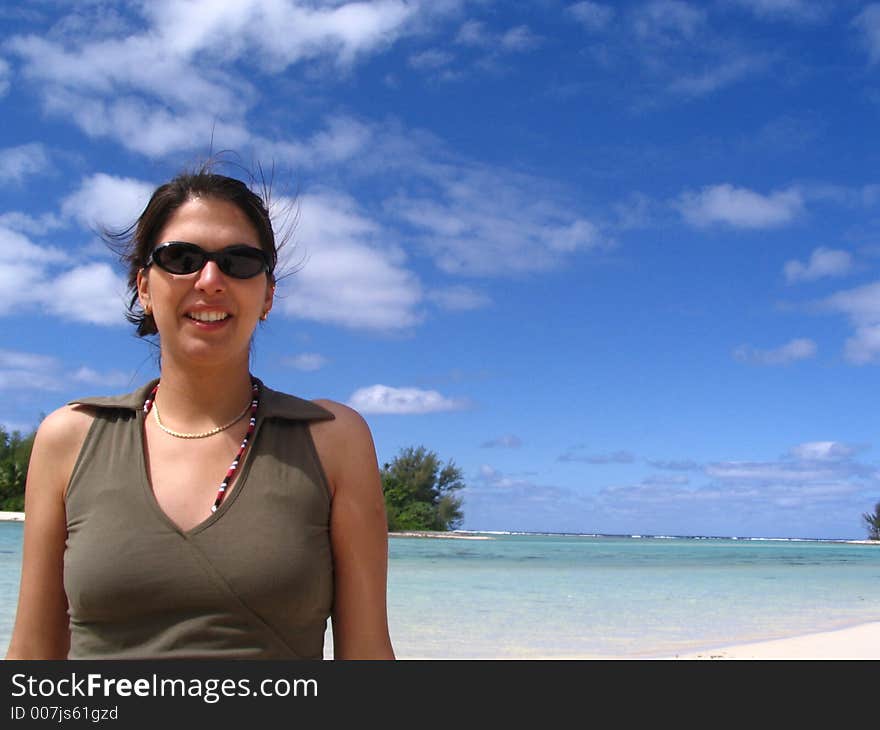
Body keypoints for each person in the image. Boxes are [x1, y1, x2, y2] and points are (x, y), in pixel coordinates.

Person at [5, 164, 395, 660]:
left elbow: (367, 656)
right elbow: (32, 659)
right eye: (182, 257)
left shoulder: (333, 440)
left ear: (268, 295)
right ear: (143, 287)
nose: (210, 280)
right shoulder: (70, 440)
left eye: (240, 261)